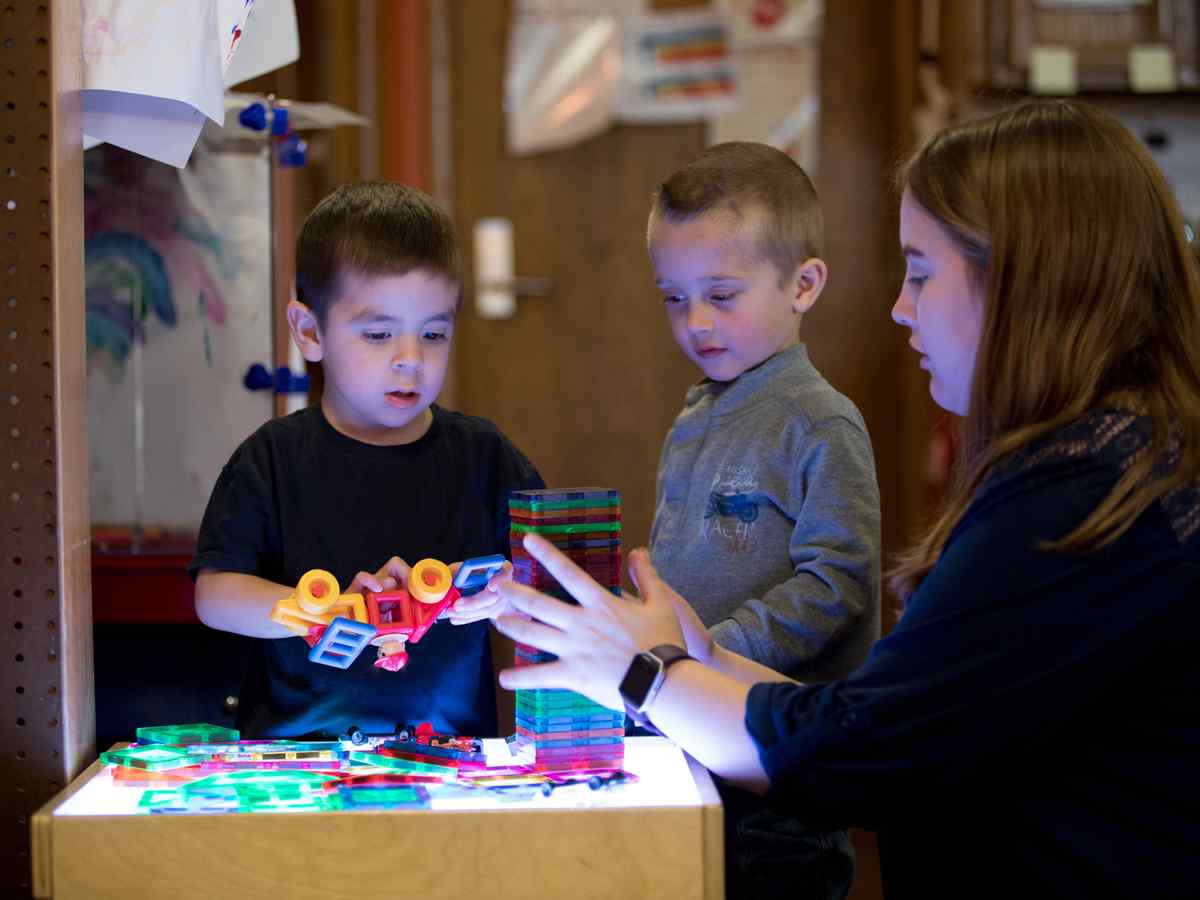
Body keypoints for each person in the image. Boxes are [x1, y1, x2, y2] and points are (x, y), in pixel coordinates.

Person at [487, 100, 1200, 899]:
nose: (900, 307)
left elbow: (866, 749)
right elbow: (902, 711)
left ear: (1028, 284)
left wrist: (648, 675)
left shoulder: (1080, 498)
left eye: (922, 274)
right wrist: (695, 656)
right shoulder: (1113, 457)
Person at [189, 181, 543, 740]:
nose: (411, 360)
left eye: (433, 333)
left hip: (453, 755)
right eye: (379, 334)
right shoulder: (271, 458)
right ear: (309, 332)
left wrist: (507, 591)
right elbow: (216, 596)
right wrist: (318, 608)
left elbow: (555, 581)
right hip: (297, 757)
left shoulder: (484, 456)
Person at [646, 142, 880, 899]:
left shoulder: (819, 423)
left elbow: (836, 582)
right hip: (694, 734)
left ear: (803, 284)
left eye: (722, 293)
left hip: (778, 765)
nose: (696, 322)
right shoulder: (697, 411)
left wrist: (710, 650)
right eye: (674, 298)